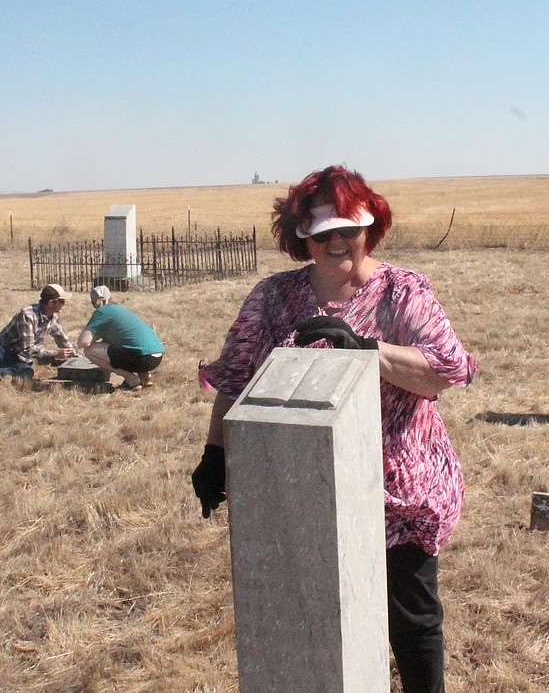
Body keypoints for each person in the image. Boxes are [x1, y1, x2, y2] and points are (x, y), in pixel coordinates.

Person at [191, 164, 477, 693]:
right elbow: (235, 377)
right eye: (324, 233)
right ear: (305, 239)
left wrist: (369, 352)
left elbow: (445, 369)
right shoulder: (273, 299)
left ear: (371, 231)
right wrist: (215, 453)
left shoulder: (400, 293)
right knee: (319, 616)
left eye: (349, 229)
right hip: (302, 490)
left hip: (398, 494)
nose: (338, 242)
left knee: (410, 618)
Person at [0, 283, 76, 392]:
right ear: (51, 303)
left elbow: (63, 339)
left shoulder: (53, 318)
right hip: (2, 352)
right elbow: (28, 349)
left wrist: (76, 356)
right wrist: (55, 353)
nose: (64, 304)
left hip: (19, 359)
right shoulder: (27, 315)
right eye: (62, 302)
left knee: (27, 372)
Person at [78, 285, 165, 390]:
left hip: (141, 358)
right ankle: (144, 375)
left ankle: (131, 379)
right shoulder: (119, 310)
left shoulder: (102, 312)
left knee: (89, 350)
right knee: (125, 344)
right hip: (156, 357)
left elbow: (84, 342)